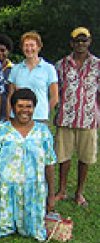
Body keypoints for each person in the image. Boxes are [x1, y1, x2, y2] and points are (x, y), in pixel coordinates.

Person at [0, 88, 56, 241]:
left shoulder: (43, 132)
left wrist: (51, 196)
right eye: (20, 106)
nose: (24, 110)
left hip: (33, 189)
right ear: (13, 108)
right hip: (6, 188)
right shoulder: (0, 131)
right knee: (1, 227)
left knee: (32, 230)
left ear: (34, 108)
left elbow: (49, 164)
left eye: (29, 106)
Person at [54, 27, 99, 207]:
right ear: (71, 43)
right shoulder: (61, 64)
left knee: (85, 157)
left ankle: (79, 192)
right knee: (63, 156)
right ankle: (62, 190)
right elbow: (55, 90)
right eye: (77, 41)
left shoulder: (97, 64)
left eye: (84, 40)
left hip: (88, 119)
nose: (81, 44)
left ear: (89, 42)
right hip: (66, 117)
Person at [6, 31, 58, 123]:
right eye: (26, 45)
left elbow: (54, 97)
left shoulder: (49, 69)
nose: (29, 48)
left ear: (38, 47)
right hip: (18, 117)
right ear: (22, 48)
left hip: (39, 118)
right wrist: (8, 116)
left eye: (32, 45)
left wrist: (44, 112)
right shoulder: (15, 69)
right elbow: (10, 96)